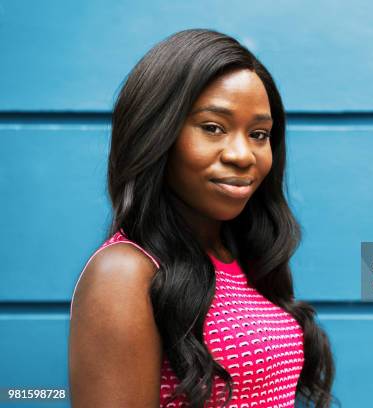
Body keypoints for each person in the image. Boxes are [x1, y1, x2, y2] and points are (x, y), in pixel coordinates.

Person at [68, 29, 336, 408]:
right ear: (157, 133)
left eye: (259, 134)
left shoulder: (239, 259)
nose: (243, 155)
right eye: (213, 128)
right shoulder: (125, 273)